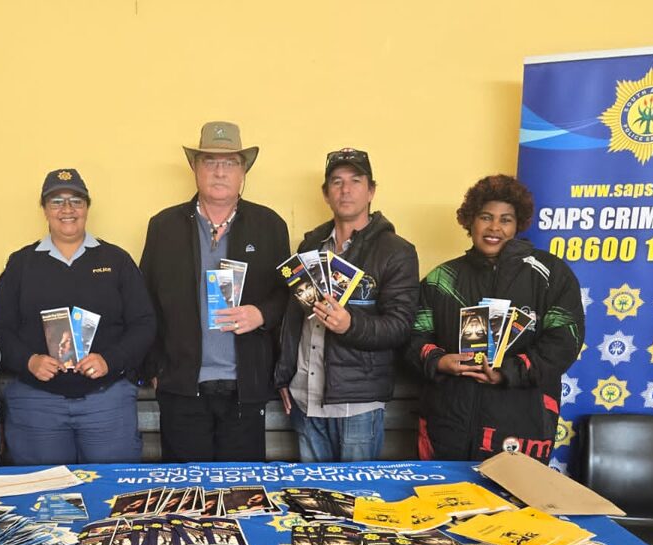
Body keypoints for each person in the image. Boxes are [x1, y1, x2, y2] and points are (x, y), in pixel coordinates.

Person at [405, 174, 585, 462]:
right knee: (440, 501)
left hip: (521, 424)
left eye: (505, 219)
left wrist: (506, 372)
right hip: (447, 425)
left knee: (513, 505)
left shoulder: (550, 275)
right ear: (470, 221)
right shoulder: (441, 279)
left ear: (518, 225)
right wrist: (439, 360)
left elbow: (564, 342)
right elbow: (414, 338)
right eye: (485, 217)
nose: (494, 228)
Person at [140, 121, 290, 462]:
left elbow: (289, 295)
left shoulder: (269, 225)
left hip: (245, 387)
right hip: (180, 387)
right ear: (194, 168)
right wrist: (154, 367)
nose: (219, 171)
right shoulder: (164, 227)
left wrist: (262, 314)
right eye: (209, 161)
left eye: (230, 163)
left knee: (242, 496)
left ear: (243, 172)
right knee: (186, 498)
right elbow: (144, 301)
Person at [0, 169, 156, 465]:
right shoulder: (21, 264)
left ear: (87, 207)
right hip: (36, 402)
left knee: (112, 493)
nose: (67, 209)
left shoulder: (116, 260)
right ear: (44, 210)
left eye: (76, 201)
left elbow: (144, 323)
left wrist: (110, 359)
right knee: (42, 495)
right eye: (57, 201)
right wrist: (29, 361)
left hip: (106, 401)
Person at [275, 148, 419, 462]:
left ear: (371, 190)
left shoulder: (397, 251)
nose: (346, 189)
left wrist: (351, 325)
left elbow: (400, 326)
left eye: (356, 180)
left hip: (358, 406)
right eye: (337, 182)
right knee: (311, 504)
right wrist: (284, 376)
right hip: (305, 400)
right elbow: (293, 318)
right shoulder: (309, 246)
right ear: (325, 194)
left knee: (357, 503)